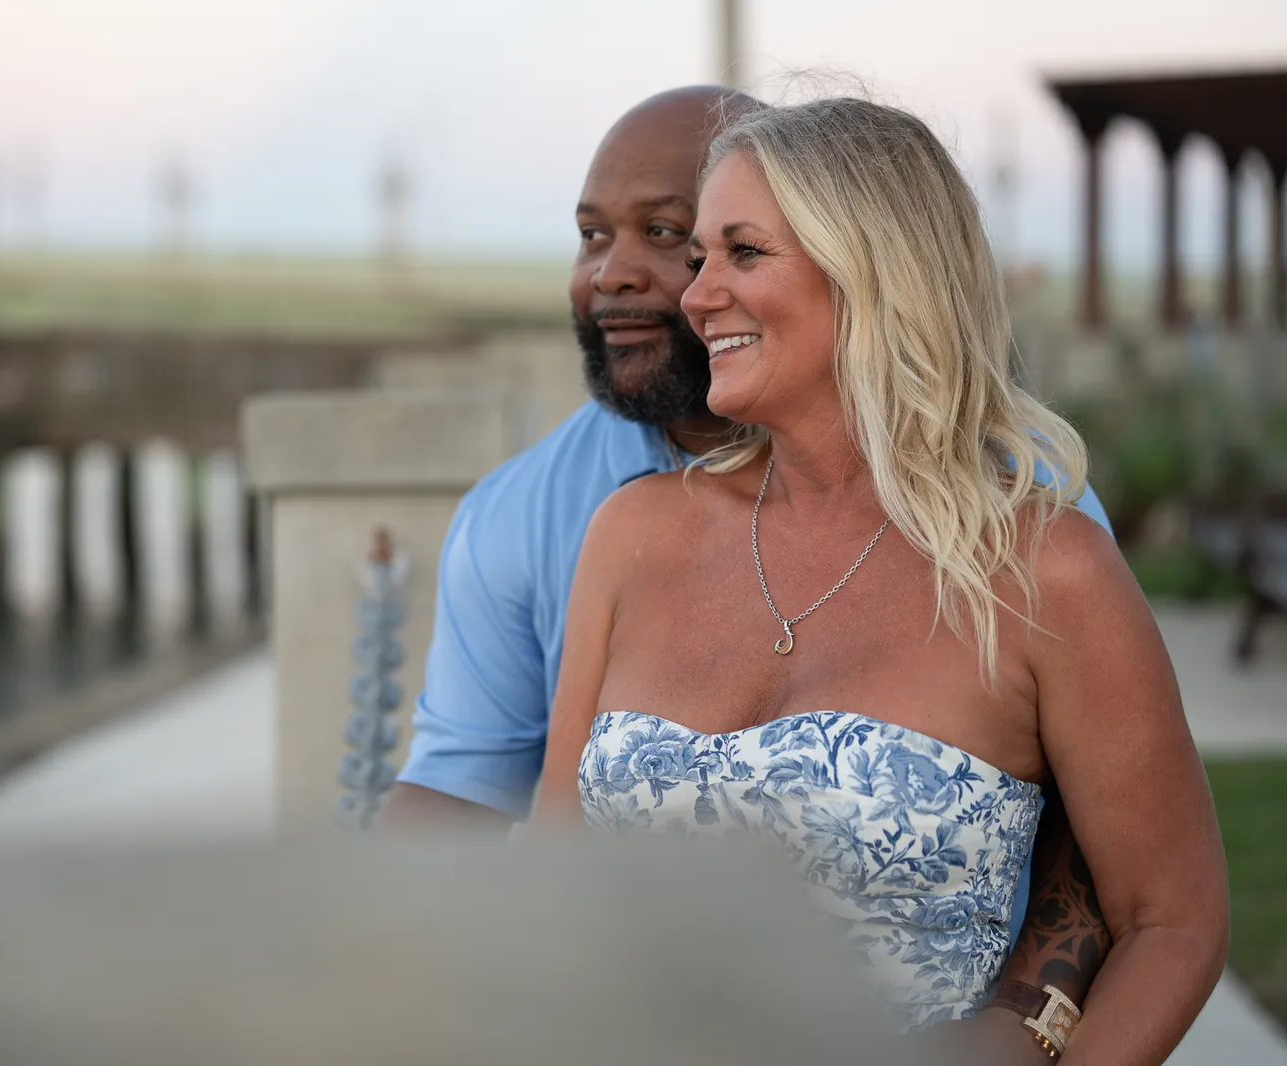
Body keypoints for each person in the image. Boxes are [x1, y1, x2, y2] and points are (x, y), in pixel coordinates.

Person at [386, 87, 1118, 1060]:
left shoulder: (1030, 513)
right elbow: (488, 817)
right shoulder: (559, 521)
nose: (624, 277)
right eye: (591, 236)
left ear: (861, 261)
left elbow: (1130, 856)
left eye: (678, 238)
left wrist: (1026, 1022)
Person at [530, 95, 1228, 1058]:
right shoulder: (631, 536)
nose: (694, 296)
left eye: (743, 253)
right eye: (700, 259)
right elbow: (553, 883)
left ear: (874, 273)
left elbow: (1171, 920)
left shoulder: (1042, 573)